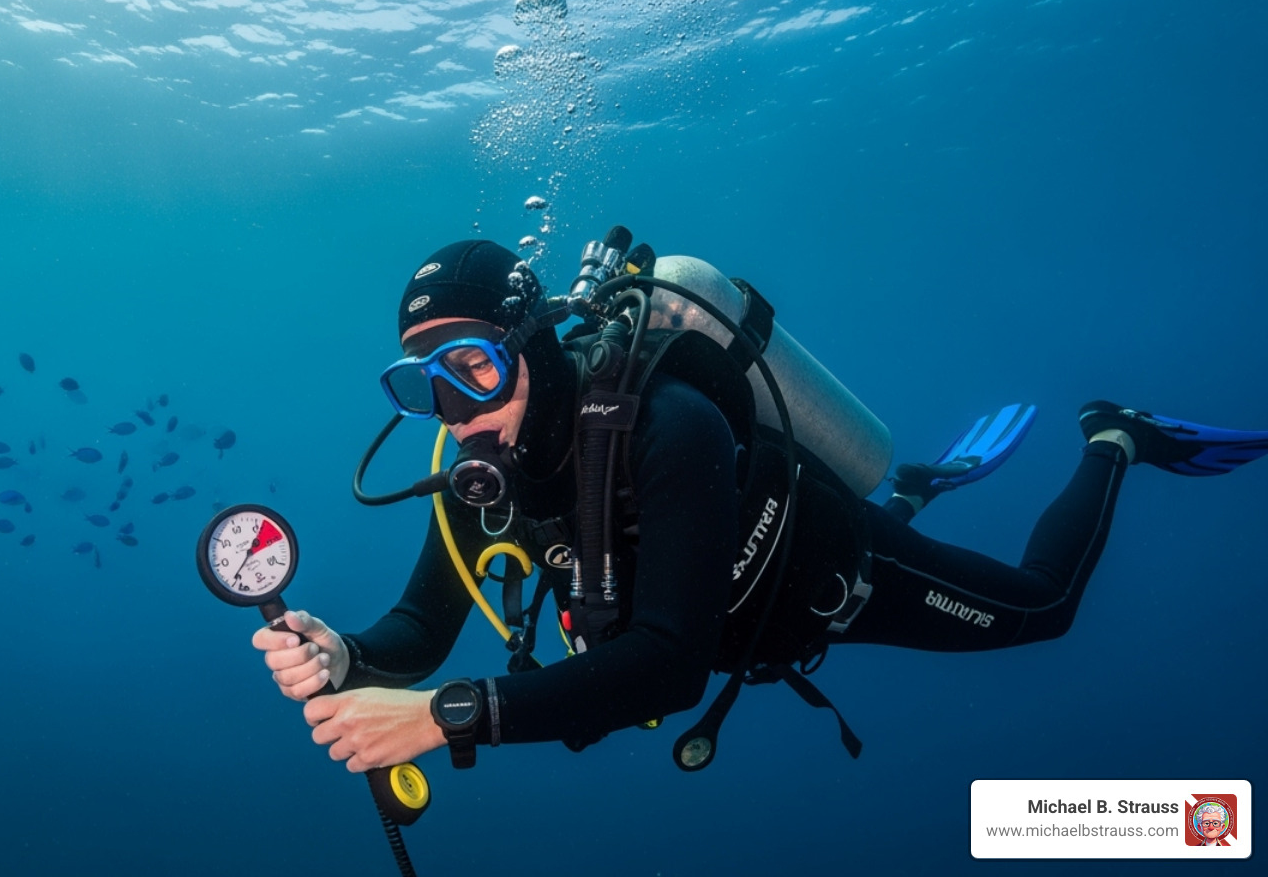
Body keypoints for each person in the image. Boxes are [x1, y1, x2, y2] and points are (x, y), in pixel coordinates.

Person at [253, 239, 1268, 774]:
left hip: (832, 579)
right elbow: (420, 627)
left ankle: (1111, 435)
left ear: (534, 343)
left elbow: (670, 662)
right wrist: (346, 652)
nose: (454, 410)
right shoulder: (478, 473)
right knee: (925, 521)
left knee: (1044, 609)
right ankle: (913, 483)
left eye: (471, 367)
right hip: (736, 593)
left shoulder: (668, 423)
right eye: (423, 384)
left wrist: (448, 716)